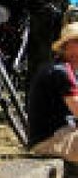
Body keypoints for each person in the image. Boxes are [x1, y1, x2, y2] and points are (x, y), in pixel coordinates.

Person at [27, 23, 78, 162]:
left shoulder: (59, 68)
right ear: (66, 47)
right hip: (51, 141)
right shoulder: (62, 72)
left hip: (55, 136)